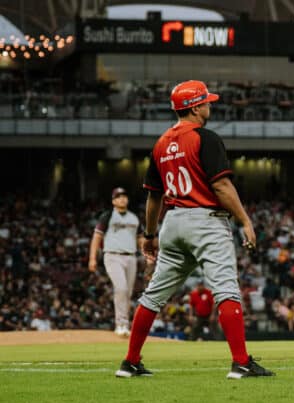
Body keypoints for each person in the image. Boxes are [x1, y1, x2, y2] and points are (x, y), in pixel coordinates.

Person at [115, 79, 273, 379]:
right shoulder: (205, 138)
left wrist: (149, 235)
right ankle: (241, 362)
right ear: (196, 106)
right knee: (226, 288)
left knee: (153, 295)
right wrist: (245, 220)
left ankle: (131, 361)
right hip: (206, 221)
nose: (209, 105)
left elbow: (153, 196)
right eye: (207, 101)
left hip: (172, 222)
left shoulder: (161, 144)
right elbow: (222, 185)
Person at [88, 187, 144, 336]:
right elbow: (97, 237)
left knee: (128, 292)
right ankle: (121, 324)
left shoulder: (134, 217)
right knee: (121, 288)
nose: (122, 199)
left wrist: (147, 253)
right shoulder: (107, 216)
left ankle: (124, 324)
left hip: (131, 256)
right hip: (113, 256)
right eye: (118, 197)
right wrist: (92, 258)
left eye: (124, 196)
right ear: (113, 201)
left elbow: (140, 239)